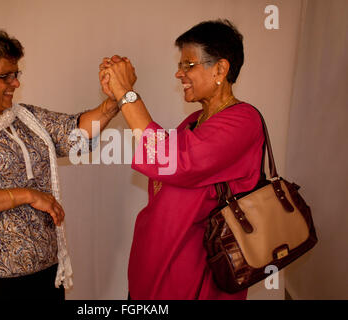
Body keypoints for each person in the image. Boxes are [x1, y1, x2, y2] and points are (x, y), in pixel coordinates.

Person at [0, 26, 122, 300]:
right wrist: (27, 196)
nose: (15, 83)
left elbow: (74, 134)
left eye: (16, 74)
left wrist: (114, 101)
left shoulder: (24, 118)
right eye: (6, 76)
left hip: (46, 272)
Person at [100, 20, 264, 299]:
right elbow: (161, 158)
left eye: (189, 65)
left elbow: (171, 159)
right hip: (155, 266)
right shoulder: (194, 121)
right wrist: (119, 97)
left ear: (220, 70)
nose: (179, 73)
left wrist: (127, 94)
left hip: (193, 277)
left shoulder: (243, 120)